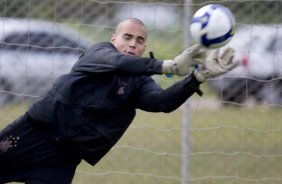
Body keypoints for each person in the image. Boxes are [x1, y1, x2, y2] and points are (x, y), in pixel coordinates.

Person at [0, 18, 237, 183]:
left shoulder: (139, 82)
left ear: (144, 48)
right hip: (31, 136)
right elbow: (117, 63)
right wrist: (170, 66)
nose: (133, 43)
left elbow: (161, 102)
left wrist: (197, 76)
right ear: (114, 39)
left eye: (140, 40)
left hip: (62, 160)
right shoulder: (98, 53)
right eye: (128, 37)